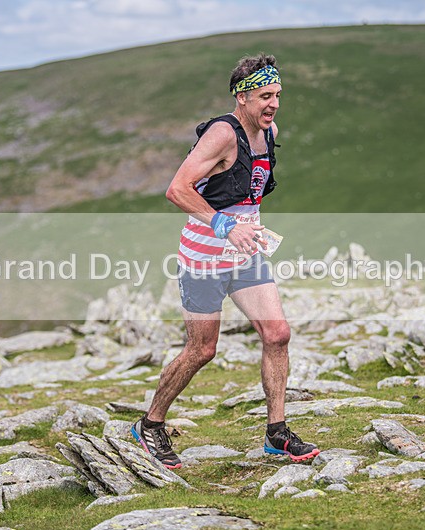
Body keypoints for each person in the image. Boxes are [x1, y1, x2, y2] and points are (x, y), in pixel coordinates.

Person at [131, 53, 320, 469]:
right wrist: (223, 225)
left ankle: (276, 433)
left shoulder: (269, 133)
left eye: (277, 95)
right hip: (203, 258)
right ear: (242, 97)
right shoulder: (221, 134)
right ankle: (150, 425)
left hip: (244, 255)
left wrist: (246, 227)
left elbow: (248, 191)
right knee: (202, 349)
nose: (272, 104)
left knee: (278, 334)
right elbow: (177, 190)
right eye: (264, 96)